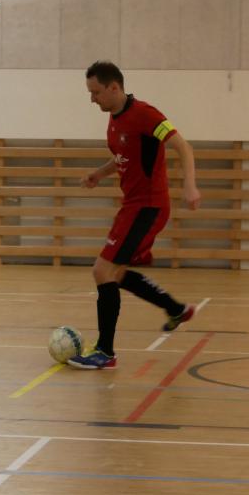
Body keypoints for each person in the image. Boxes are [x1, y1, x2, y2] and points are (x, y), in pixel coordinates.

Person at [67, 61, 201, 370]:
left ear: (114, 87)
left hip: (148, 207)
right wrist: (99, 174)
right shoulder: (114, 119)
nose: (92, 99)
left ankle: (105, 352)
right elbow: (122, 157)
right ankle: (176, 309)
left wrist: (190, 185)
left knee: (102, 271)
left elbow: (183, 147)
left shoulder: (145, 114)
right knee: (116, 273)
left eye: (95, 92)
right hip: (132, 206)